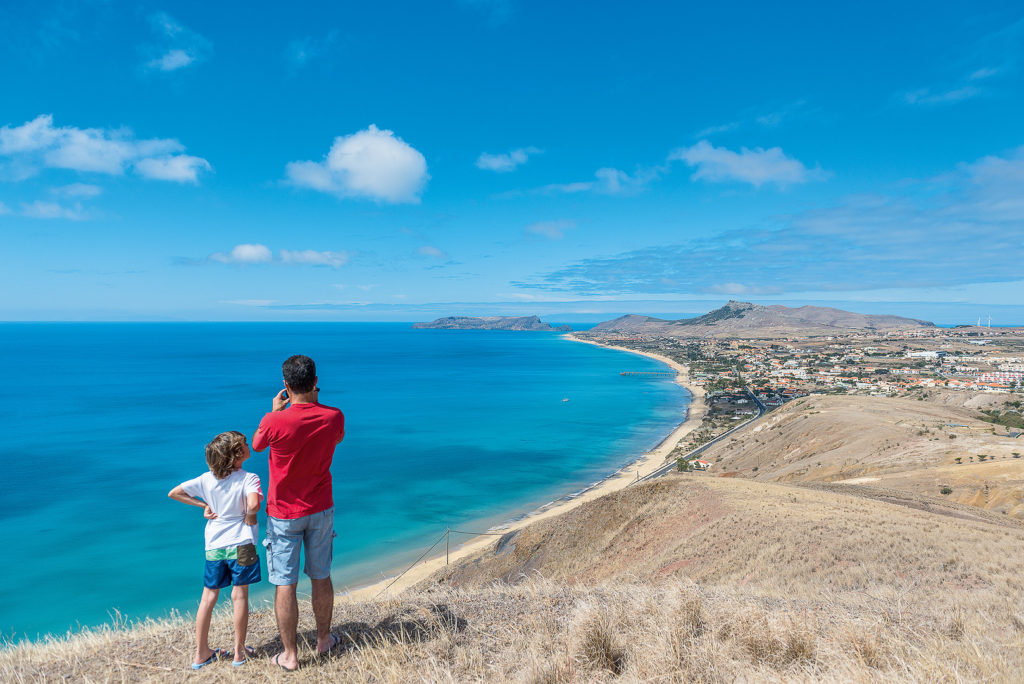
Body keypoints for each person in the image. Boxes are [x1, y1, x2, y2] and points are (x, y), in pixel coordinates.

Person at [252, 354, 345, 672]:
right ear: (316, 382)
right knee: (321, 576)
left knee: (285, 582)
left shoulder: (273, 421)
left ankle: (290, 656)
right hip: (320, 508)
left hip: (283, 514)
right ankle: (323, 641)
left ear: (286, 386)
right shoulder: (334, 416)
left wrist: (276, 410)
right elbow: (337, 437)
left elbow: (256, 445)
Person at [168, 431, 263, 669]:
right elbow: (253, 504)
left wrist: (203, 504)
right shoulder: (249, 478)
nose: (248, 445)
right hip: (242, 543)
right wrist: (250, 516)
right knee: (239, 595)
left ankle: (201, 653)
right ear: (236, 454)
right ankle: (240, 654)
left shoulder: (205, 479)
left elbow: (175, 493)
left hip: (215, 546)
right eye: (244, 444)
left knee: (208, 597)